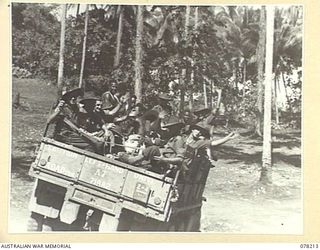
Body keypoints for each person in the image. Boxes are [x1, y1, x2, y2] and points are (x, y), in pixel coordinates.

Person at [154, 122, 238, 176]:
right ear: (192, 129)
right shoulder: (182, 138)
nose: (199, 133)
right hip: (170, 159)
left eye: (201, 132)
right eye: (197, 130)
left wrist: (228, 138)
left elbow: (213, 143)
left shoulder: (199, 142)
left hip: (181, 165)